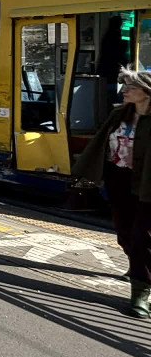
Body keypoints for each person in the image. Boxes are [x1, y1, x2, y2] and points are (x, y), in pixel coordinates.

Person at [73, 68, 151, 319]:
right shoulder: (119, 114)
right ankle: (136, 266)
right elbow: (100, 144)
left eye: (130, 86)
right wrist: (87, 173)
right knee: (124, 232)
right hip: (118, 179)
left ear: (146, 92)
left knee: (143, 238)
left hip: (148, 183)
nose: (123, 90)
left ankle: (140, 292)